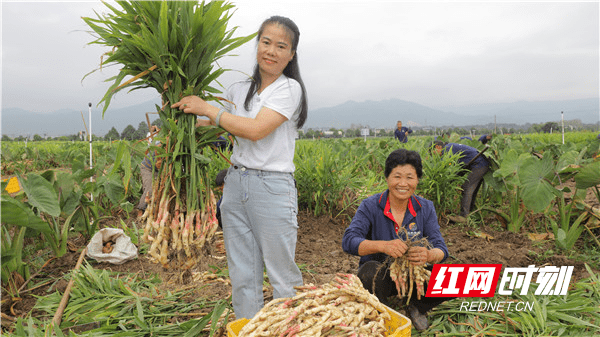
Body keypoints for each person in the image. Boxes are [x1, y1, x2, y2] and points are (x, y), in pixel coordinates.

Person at [172, 15, 308, 320]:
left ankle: (287, 328)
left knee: (282, 275)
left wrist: (208, 108)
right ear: (257, 44)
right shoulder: (238, 89)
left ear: (291, 55)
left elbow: (256, 129)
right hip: (235, 184)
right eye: (266, 42)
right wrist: (180, 124)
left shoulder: (289, 90)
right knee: (243, 273)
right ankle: (249, 327)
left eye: (280, 46)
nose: (271, 51)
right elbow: (217, 126)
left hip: (272, 187)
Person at [342, 149, 450, 331]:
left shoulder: (426, 208)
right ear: (387, 178)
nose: (403, 183)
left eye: (410, 177)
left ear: (417, 180)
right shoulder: (370, 206)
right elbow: (349, 241)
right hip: (382, 278)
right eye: (397, 176)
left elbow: (442, 249)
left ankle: (418, 306)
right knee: (369, 272)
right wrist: (383, 246)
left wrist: (429, 254)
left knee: (459, 277)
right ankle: (383, 310)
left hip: (414, 277)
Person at [433, 141, 490, 219]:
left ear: (437, 147)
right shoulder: (451, 147)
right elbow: (461, 168)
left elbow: (445, 166)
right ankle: (469, 213)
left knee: (467, 187)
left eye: (432, 152)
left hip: (479, 164)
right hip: (480, 164)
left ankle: (464, 216)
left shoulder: (447, 149)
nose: (434, 155)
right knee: (471, 189)